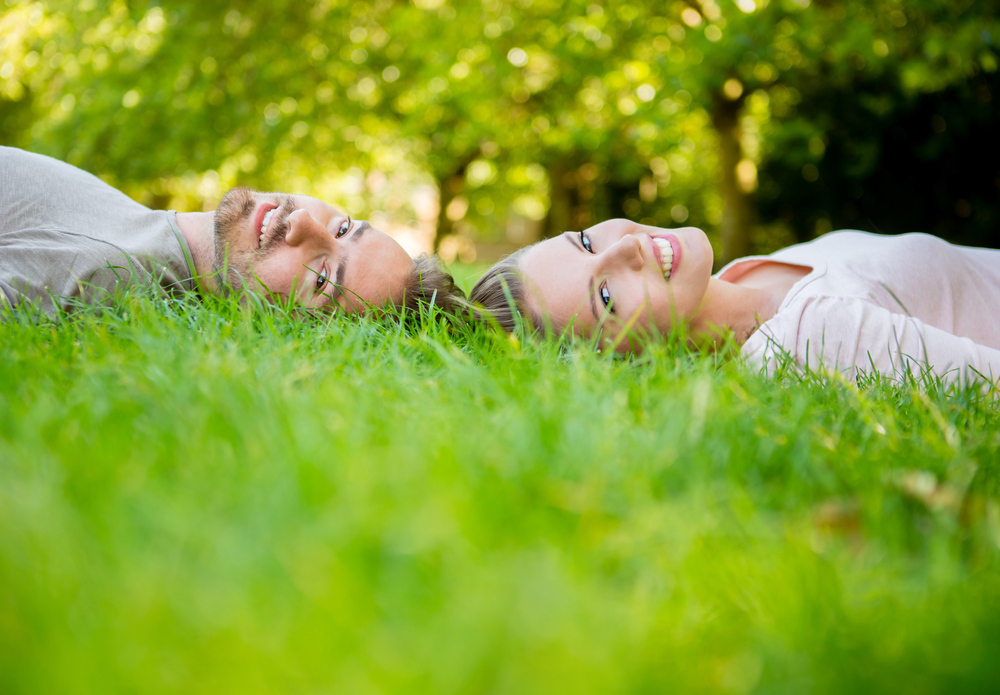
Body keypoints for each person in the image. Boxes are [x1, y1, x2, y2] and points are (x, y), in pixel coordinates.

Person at [469, 218, 1000, 385]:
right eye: (605, 295)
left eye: (585, 242)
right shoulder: (801, 339)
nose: (625, 246)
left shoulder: (742, 275)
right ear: (622, 362)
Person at [0, 147, 464, 318]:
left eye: (323, 278)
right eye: (343, 227)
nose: (301, 223)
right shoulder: (136, 229)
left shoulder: (106, 272)